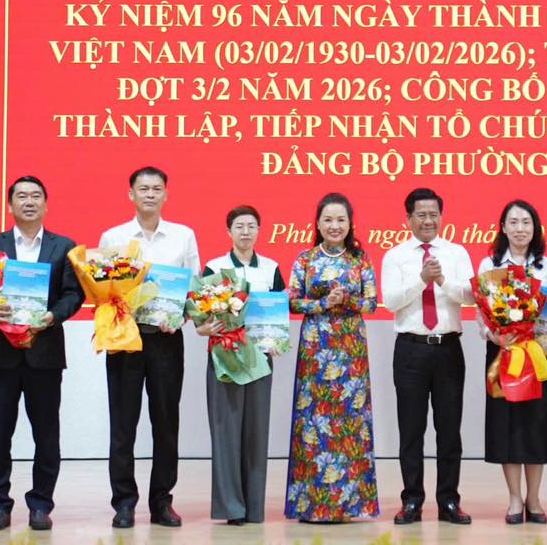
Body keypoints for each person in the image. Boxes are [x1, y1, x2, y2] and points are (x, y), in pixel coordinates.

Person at [0, 175, 84, 533]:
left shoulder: (64, 246)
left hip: (44, 354)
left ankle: (40, 505)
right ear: (10, 205)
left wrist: (52, 316)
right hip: (1, 355)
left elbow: (73, 294)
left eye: (36, 196)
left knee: (46, 434)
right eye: (21, 196)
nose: (29, 201)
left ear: (46, 204)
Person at [97, 166, 201, 529]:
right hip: (125, 340)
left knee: (166, 424)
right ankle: (124, 503)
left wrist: (182, 316)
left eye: (157, 188)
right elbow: (102, 289)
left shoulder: (183, 236)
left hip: (166, 340)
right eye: (143, 189)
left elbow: (193, 290)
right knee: (123, 425)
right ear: (131, 194)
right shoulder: (113, 237)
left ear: (166, 195)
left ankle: (162, 502)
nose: (150, 194)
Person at [380, 187, 474, 525]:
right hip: (411, 349)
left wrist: (442, 280)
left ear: (441, 216)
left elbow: (471, 297)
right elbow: (391, 301)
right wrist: (422, 280)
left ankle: (449, 501)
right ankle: (412, 501)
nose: (428, 220)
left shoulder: (456, 253)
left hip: (448, 348)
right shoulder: (395, 256)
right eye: (421, 214)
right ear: (408, 218)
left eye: (434, 214)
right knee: (411, 430)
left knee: (449, 430)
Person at [284, 193, 380, 523]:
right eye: (328, 219)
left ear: (350, 224)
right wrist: (323, 303)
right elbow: (292, 301)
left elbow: (372, 304)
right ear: (318, 223)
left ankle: (350, 505)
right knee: (314, 420)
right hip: (316, 345)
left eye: (341, 219)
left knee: (350, 423)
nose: (334, 225)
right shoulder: (306, 259)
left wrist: (347, 300)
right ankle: (312, 505)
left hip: (351, 348)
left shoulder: (360, 260)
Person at [198, 204, 285, 525]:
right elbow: (201, 315)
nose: (245, 232)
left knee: (256, 432)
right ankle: (232, 509)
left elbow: (279, 312)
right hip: (224, 355)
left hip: (260, 357)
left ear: (259, 231)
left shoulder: (272, 268)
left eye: (251, 226)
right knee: (226, 431)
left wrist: (277, 340)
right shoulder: (214, 267)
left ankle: (254, 508)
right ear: (229, 232)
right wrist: (204, 327)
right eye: (239, 226)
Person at [476, 199, 547, 524]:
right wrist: (493, 335)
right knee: (506, 424)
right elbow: (482, 311)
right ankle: (514, 498)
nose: (520, 228)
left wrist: (545, 343)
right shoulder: (489, 265)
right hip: (504, 352)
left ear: (535, 228)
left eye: (526, 222)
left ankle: (534, 499)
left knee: (536, 424)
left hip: (538, 354)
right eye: (513, 222)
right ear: (503, 227)